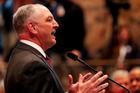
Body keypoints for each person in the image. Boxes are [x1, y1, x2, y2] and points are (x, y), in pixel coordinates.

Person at [4, 4, 109, 93]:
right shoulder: (32, 65)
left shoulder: (20, 54)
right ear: (33, 28)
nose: (56, 25)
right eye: (49, 20)